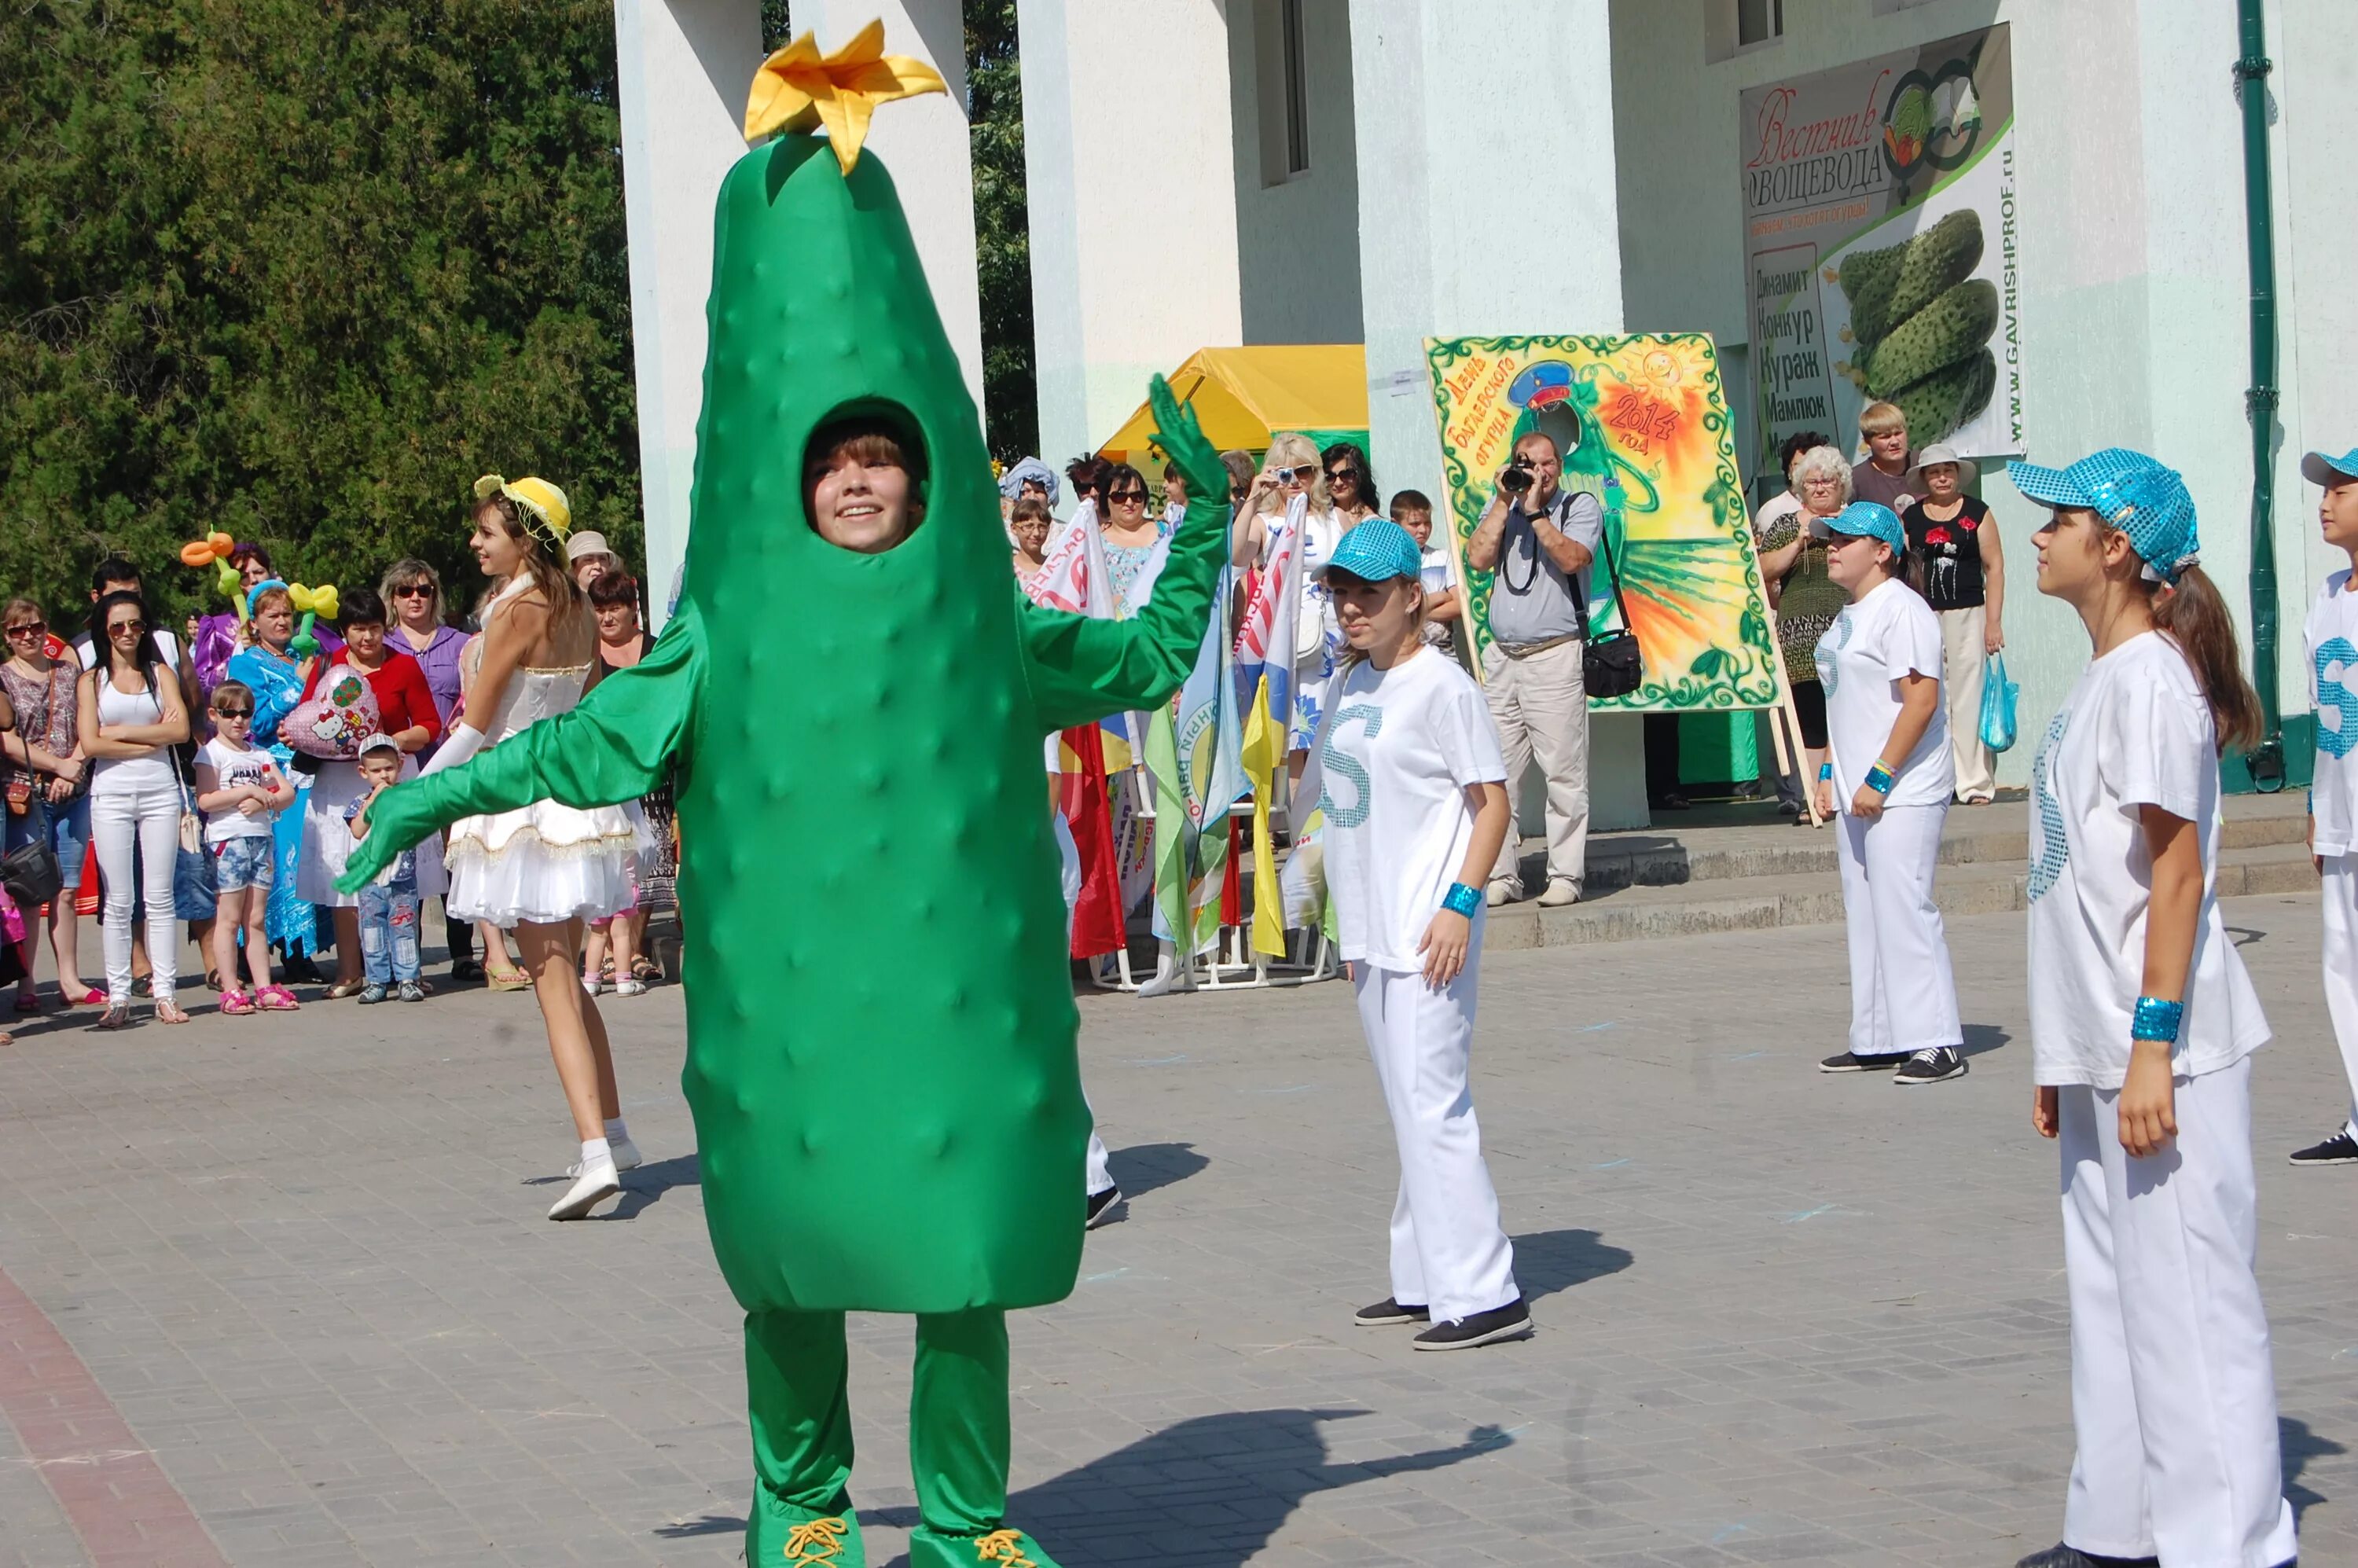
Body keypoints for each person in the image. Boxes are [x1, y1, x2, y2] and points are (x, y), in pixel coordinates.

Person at [2011, 448, 2295, 1568]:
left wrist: (2149, 1047)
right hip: (2100, 1041)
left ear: (2117, 544)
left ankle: (2233, 1542)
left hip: (2160, 1044)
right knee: (2114, 1295)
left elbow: (2175, 875)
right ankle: (2119, 1526)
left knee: (2190, 1301)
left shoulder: (2154, 680)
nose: (2037, 533)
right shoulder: (2105, 675)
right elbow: (2083, 880)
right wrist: (2061, 1049)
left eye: (2060, 517)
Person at [1294, 520, 1529, 1350]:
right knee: (1407, 1108)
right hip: (1367, 927)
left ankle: (1485, 1292)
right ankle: (1425, 1275)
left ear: (1410, 597)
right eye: (1340, 590)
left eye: (1368, 591)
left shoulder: (1444, 687)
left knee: (1434, 1103)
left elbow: (1492, 804)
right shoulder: (1352, 686)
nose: (1351, 605)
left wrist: (1460, 903)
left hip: (1432, 926)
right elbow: (1336, 802)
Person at [438, 474, 645, 1219]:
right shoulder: (574, 610)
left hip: (522, 801)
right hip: (567, 793)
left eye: (487, 532)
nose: (474, 542)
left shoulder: (518, 611)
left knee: (551, 978)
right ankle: (614, 1133)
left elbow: (473, 725)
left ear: (524, 541)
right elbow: (583, 704)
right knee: (569, 979)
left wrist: (408, 797)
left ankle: (594, 1153)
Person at [1809, 502, 1964, 1084]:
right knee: (1866, 910)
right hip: (1855, 788)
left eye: (1847, 539)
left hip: (1903, 787)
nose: (1833, 546)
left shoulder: (1904, 609)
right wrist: (1829, 772)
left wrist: (1881, 775)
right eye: (1831, 537)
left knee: (1905, 905)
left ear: (1882, 552)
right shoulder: (1850, 613)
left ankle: (1936, 1037)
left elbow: (1920, 700)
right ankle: (1877, 1035)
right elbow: (1843, 698)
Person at [1464, 429, 1603, 906]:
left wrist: (1537, 512)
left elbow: (1573, 558)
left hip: (1554, 656)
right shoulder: (1503, 505)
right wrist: (1505, 501)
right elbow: (1478, 557)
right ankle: (1501, 876)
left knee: (1563, 771)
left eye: (1544, 464)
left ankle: (1565, 875)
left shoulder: (1578, 507)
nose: (1534, 472)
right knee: (1496, 773)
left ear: (1558, 468)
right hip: (1503, 658)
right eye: (1525, 462)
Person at [302, 589, 443, 998]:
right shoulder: (328, 667)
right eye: (358, 630)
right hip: (340, 781)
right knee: (343, 877)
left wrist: (389, 742)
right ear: (344, 632)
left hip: (393, 776)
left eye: (375, 629)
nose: (367, 638)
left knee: (403, 875)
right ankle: (351, 971)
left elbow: (429, 725)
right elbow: (311, 718)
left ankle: (407, 971)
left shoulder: (403, 667)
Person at [78, 590, 192, 1028]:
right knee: (119, 900)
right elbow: (91, 743)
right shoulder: (91, 680)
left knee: (160, 897)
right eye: (118, 626)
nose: (128, 633)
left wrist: (121, 731)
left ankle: (165, 993)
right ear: (103, 630)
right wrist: (151, 735)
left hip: (160, 790)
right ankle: (119, 996)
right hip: (110, 794)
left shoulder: (160, 673)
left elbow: (180, 729)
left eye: (137, 625)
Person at [2293, 446, 2358, 1166]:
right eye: (2324, 489)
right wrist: (2315, 804)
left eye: (2343, 488)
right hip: (2342, 817)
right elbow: (2320, 709)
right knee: (2343, 966)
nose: (2326, 500)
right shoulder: (2329, 592)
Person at [1231, 432, 1346, 775]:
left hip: (1331, 637)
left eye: (1305, 471)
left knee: (1332, 737)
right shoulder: (1265, 522)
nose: (1295, 481)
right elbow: (1237, 555)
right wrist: (1253, 498)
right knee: (1293, 740)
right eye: (1285, 473)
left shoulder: (1335, 519)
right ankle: (1292, 825)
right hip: (1283, 639)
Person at [381, 557, 476, 980]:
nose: (415, 598)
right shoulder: (382, 647)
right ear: (393, 598)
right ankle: (408, 958)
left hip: (452, 764)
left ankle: (463, 951)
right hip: (402, 769)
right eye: (406, 591)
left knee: (456, 857)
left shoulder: (460, 643)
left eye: (424, 590)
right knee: (409, 863)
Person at [225, 582, 323, 977]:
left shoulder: (308, 654)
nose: (282, 621)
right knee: (274, 862)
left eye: (287, 614)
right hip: (272, 773)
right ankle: (253, 952)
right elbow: (256, 721)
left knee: (303, 860)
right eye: (273, 615)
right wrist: (295, 686)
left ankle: (299, 950)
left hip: (309, 769)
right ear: (256, 622)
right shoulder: (246, 664)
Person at [2, 596, 94, 1009]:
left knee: (68, 891)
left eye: (36, 627)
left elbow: (89, 726)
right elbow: (5, 740)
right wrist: (56, 766)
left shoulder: (71, 672)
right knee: (29, 891)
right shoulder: (2, 679)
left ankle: (70, 980)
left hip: (73, 792)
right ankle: (26, 982)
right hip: (25, 795)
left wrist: (71, 768)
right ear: (7, 637)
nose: (28, 636)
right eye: (18, 630)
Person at [1902, 443, 2005, 803]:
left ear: (1958, 474)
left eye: (1948, 470)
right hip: (1924, 615)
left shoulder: (1978, 513)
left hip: (1969, 613)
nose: (1942, 477)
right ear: (1925, 478)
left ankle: (1974, 783)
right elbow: (1901, 568)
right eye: (1934, 471)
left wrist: (1993, 622)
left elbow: (1994, 567)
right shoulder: (1912, 517)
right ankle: (1938, 780)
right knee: (1931, 696)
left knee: (1968, 696)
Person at [193, 678, 299, 1014]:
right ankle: (230, 988)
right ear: (214, 715)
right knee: (228, 918)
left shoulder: (260, 755)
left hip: (260, 840)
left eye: (246, 714)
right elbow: (207, 799)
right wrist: (247, 793)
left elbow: (285, 794)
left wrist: (263, 802)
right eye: (229, 714)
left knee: (255, 918)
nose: (238, 720)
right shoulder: (211, 753)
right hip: (229, 840)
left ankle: (264, 986)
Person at [1757, 445, 1852, 821]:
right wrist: (1799, 541)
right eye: (1812, 481)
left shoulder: (1856, 520)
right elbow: (1763, 571)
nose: (1820, 487)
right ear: (1800, 486)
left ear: (1841, 485)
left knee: (1847, 713)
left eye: (1828, 480)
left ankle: (1846, 793)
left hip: (1846, 628)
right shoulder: (1785, 524)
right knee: (1810, 720)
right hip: (1799, 635)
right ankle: (1816, 799)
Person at [580, 570, 660, 997]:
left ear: (633, 609)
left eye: (616, 607)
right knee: (616, 860)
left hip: (656, 764)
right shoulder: (588, 654)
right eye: (600, 608)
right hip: (611, 771)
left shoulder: (655, 649)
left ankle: (633, 948)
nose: (608, 617)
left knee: (650, 859)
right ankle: (612, 954)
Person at [345, 733, 425, 1004]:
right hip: (371, 881)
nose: (384, 776)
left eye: (389, 769)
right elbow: (357, 830)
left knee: (404, 928)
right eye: (376, 771)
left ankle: (407, 978)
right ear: (363, 772)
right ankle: (376, 980)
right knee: (372, 929)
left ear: (400, 766)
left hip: (402, 879)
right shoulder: (359, 802)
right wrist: (374, 800)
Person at [1391, 489, 1461, 656]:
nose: (1423, 530)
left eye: (1427, 523)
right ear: (1395, 525)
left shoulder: (1443, 558)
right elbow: (1391, 610)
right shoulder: (1389, 562)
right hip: (1401, 654)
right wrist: (1437, 598)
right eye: (1415, 524)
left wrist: (1414, 610)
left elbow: (1459, 607)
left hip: (1444, 654)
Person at [1095, 462, 1170, 606]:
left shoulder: (1167, 533)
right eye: (1119, 496)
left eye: (1136, 496)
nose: (1129, 502)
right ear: (1106, 500)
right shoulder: (1095, 544)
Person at [1849, 401, 1917, 512]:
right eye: (1885, 437)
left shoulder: (1924, 464)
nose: (1895, 441)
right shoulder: (1856, 481)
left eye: (1898, 433)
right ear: (1867, 442)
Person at [1323, 440, 1379, 527]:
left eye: (1346, 474)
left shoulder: (1371, 523)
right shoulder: (1318, 515)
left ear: (1360, 475)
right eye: (1329, 476)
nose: (1338, 483)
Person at [1008, 494, 1052, 582]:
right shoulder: (1006, 568)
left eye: (1042, 527)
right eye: (1028, 526)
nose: (1036, 533)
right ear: (1014, 528)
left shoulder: (1054, 567)